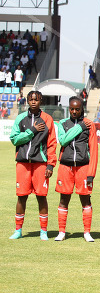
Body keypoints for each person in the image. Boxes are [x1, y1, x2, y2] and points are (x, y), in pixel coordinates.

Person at [9, 91, 57, 240]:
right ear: (27, 101)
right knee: (21, 196)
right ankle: (18, 230)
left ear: (41, 100)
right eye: (31, 99)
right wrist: (32, 131)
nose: (34, 102)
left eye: (36, 99)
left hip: (40, 164)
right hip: (23, 164)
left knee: (41, 197)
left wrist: (50, 165)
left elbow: (52, 143)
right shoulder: (20, 118)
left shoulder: (47, 119)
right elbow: (15, 139)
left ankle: (43, 231)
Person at [54, 96, 98, 242]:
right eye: (72, 109)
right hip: (65, 166)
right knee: (64, 198)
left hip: (83, 167)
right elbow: (63, 141)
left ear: (81, 109)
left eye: (77, 109)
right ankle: (61, 232)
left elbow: (94, 150)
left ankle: (87, 232)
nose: (74, 111)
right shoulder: (62, 123)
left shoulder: (90, 124)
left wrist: (91, 173)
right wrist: (79, 128)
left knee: (85, 199)